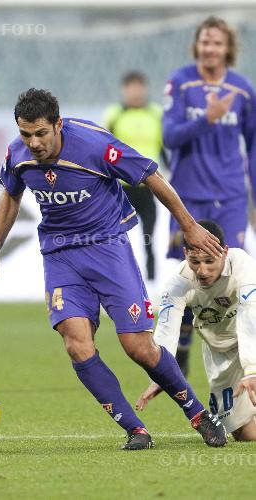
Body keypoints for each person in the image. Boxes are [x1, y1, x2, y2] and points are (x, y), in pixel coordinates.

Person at [0, 88, 226, 450]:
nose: (33, 143)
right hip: (60, 255)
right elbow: (11, 195)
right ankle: (135, 429)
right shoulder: (17, 155)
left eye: (41, 133)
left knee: (138, 347)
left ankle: (197, 412)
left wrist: (188, 225)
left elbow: (151, 175)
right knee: (76, 344)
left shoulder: (95, 144)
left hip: (108, 248)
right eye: (25, 134)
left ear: (58, 125)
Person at [162, 16, 256, 376]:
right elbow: (169, 137)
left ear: (228, 48)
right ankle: (180, 355)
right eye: (204, 42)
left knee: (230, 275)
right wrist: (208, 118)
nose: (210, 49)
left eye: (217, 43)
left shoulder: (244, 90)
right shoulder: (181, 83)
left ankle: (238, 361)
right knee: (189, 275)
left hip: (231, 198)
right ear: (196, 46)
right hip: (188, 198)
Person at [137, 220, 256, 441]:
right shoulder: (178, 283)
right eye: (194, 261)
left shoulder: (243, 265)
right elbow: (166, 332)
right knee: (245, 434)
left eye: (209, 261)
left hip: (252, 340)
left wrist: (251, 369)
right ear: (185, 253)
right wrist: (160, 374)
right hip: (221, 352)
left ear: (225, 252)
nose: (202, 270)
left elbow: (251, 316)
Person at [103, 71, 165, 280]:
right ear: (124, 90)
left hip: (149, 186)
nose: (136, 92)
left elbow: (164, 147)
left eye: (140, 86)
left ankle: (152, 284)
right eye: (131, 87)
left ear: (146, 89)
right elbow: (103, 148)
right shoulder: (114, 114)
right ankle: (116, 283)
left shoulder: (156, 114)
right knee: (115, 239)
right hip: (121, 188)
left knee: (149, 238)